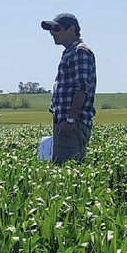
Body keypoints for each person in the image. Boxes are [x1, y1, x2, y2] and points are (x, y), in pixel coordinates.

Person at [42, 12, 96, 164]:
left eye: (56, 29)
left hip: (73, 124)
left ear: (72, 29)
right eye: (51, 30)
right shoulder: (69, 52)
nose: (52, 33)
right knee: (61, 166)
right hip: (65, 122)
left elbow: (82, 87)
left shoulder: (79, 51)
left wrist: (71, 119)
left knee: (68, 167)